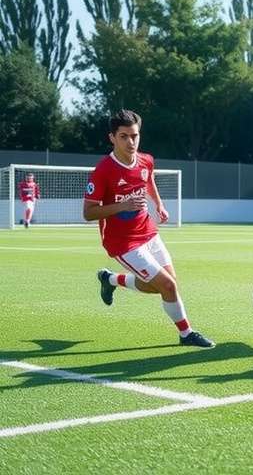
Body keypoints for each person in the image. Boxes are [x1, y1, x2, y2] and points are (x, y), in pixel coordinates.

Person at [83, 109, 214, 348]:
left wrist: (159, 204)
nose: (131, 142)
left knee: (165, 285)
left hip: (148, 232)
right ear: (112, 138)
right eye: (124, 136)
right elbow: (88, 213)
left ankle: (111, 279)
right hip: (123, 242)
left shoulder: (146, 160)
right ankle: (186, 334)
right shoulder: (103, 171)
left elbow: (148, 179)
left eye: (134, 136)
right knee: (168, 286)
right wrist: (122, 205)